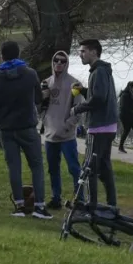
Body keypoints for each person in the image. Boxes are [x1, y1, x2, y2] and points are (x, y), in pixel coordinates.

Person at [0, 41, 52, 219]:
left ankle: (20, 206)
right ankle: (39, 206)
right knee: (36, 166)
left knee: (14, 167)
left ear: (2, 56)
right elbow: (38, 99)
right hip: (27, 127)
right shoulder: (30, 74)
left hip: (6, 129)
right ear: (18, 54)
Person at [71, 39, 119, 210]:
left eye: (83, 51)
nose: (80, 54)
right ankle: (112, 205)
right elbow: (98, 95)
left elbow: (98, 99)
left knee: (89, 167)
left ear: (93, 52)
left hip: (99, 127)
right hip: (108, 126)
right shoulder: (102, 70)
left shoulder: (98, 71)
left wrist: (77, 109)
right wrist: (83, 90)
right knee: (104, 166)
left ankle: (91, 206)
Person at [40, 51, 83, 210]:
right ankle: (55, 198)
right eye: (56, 60)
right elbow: (40, 107)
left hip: (67, 136)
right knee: (53, 169)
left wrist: (68, 125)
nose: (59, 63)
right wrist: (42, 99)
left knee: (74, 168)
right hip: (50, 135)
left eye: (63, 61)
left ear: (67, 64)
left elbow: (79, 109)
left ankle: (80, 200)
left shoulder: (74, 84)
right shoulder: (46, 83)